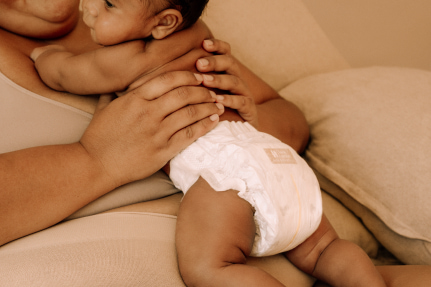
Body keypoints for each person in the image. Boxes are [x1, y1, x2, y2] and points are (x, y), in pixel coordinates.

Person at [1, 1, 430, 287]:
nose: (89, 6)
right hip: (279, 179)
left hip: (231, 179)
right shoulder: (158, 24)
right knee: (325, 249)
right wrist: (95, 160)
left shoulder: (129, 38)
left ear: (164, 20)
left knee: (209, 269)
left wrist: (247, 113)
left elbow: (291, 119)